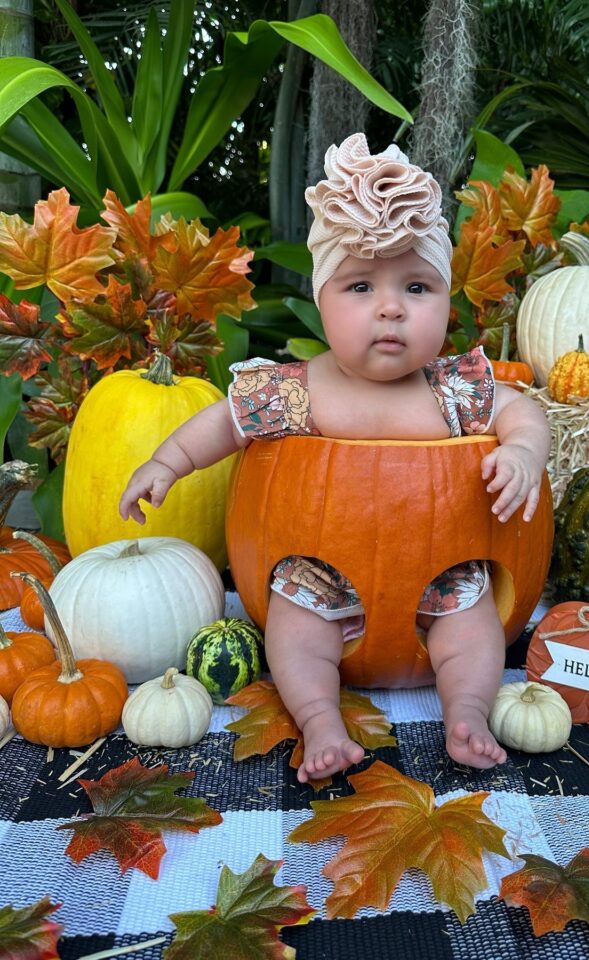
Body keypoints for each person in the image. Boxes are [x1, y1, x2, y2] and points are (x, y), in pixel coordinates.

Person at [119, 133, 551, 782]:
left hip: (443, 578)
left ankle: (467, 713)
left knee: (475, 630)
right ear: (321, 299)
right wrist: (167, 461)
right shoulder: (299, 389)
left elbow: (524, 409)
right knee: (293, 631)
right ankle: (319, 718)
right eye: (359, 287)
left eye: (416, 286)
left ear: (445, 301)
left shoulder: (456, 388)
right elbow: (225, 423)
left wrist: (521, 450)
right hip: (323, 581)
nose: (390, 307)